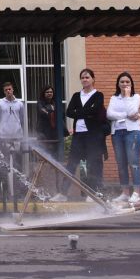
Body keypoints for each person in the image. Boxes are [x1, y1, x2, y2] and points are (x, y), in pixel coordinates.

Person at [59, 69, 107, 201]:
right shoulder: (76, 95)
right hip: (78, 135)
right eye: (82, 78)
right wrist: (87, 112)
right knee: (72, 163)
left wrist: (79, 112)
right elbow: (69, 112)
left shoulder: (98, 95)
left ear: (93, 79)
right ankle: (63, 193)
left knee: (93, 163)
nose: (84, 79)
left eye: (87, 77)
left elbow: (96, 109)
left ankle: (93, 193)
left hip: (92, 135)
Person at [107, 72, 140, 204]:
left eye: (127, 82)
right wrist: (126, 115)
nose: (125, 84)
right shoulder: (114, 98)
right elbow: (109, 114)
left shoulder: (135, 97)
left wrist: (127, 97)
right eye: (122, 82)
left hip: (132, 132)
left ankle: (137, 193)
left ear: (131, 84)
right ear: (118, 84)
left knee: (134, 163)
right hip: (117, 133)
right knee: (121, 164)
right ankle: (125, 192)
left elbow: (133, 112)